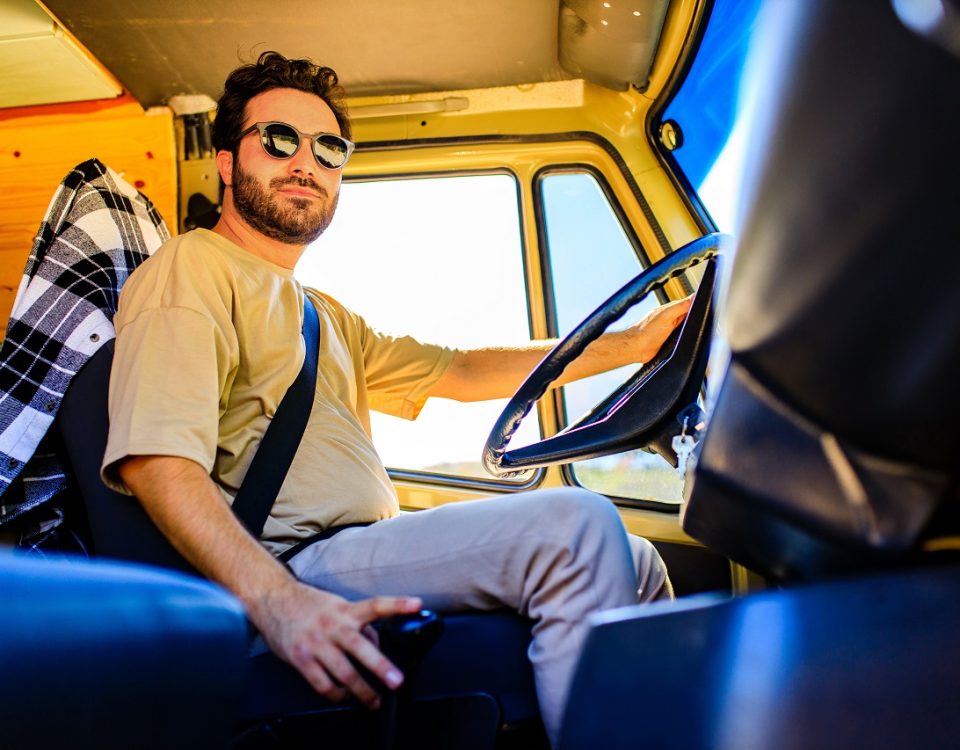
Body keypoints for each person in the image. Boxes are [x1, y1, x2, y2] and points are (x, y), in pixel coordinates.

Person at [101, 51, 691, 745]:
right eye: (279, 139)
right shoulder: (192, 267)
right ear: (228, 162)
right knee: (577, 528)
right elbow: (156, 462)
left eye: (329, 148)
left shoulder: (323, 314)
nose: (306, 162)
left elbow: (463, 371)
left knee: (639, 559)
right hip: (292, 562)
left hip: (361, 545)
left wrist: (633, 345)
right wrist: (281, 604)